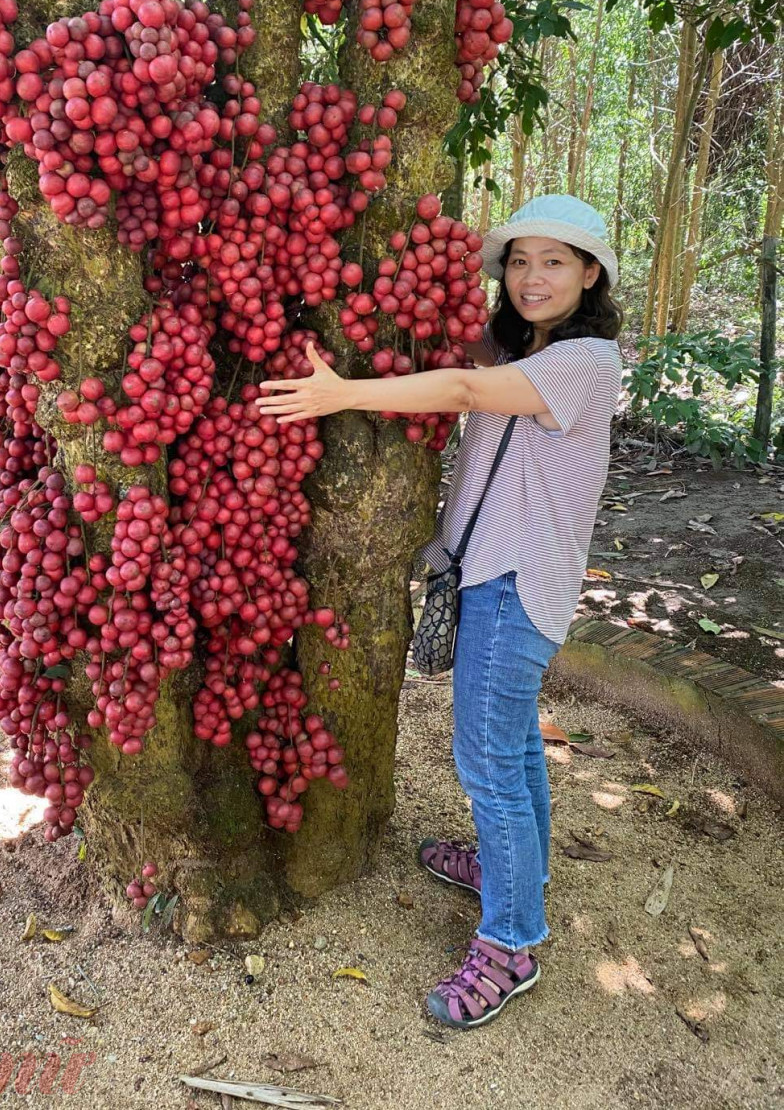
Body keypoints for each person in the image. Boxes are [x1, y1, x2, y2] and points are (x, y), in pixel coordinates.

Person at [256, 194, 623, 1029]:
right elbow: (447, 353)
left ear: (591, 273)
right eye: (519, 261)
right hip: (492, 572)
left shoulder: (587, 362)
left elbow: (458, 384)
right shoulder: (521, 344)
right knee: (517, 744)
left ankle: (512, 943)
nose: (532, 277)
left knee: (488, 760)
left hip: (515, 580)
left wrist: (339, 395)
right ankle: (512, 876)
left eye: (555, 262)